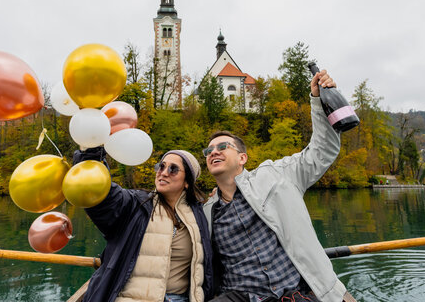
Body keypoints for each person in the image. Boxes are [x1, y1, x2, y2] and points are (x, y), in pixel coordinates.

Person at [202, 70, 355, 302]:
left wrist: (317, 100)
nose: (213, 151)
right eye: (208, 151)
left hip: (299, 292)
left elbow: (322, 151)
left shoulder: (276, 175)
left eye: (223, 146)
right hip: (242, 297)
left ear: (242, 158)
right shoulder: (206, 212)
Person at [73, 148, 213, 302]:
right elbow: (102, 195)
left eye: (173, 169)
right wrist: (91, 153)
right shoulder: (136, 204)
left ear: (187, 181)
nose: (164, 172)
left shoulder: (200, 215)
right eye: (161, 166)